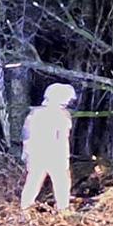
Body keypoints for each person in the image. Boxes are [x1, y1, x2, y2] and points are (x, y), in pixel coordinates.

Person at [20, 83, 77, 211]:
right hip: (55, 155)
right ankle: (63, 210)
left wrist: (26, 154)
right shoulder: (63, 116)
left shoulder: (34, 113)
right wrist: (65, 159)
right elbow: (62, 139)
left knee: (33, 182)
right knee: (62, 182)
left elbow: (26, 136)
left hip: (36, 154)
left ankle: (24, 209)